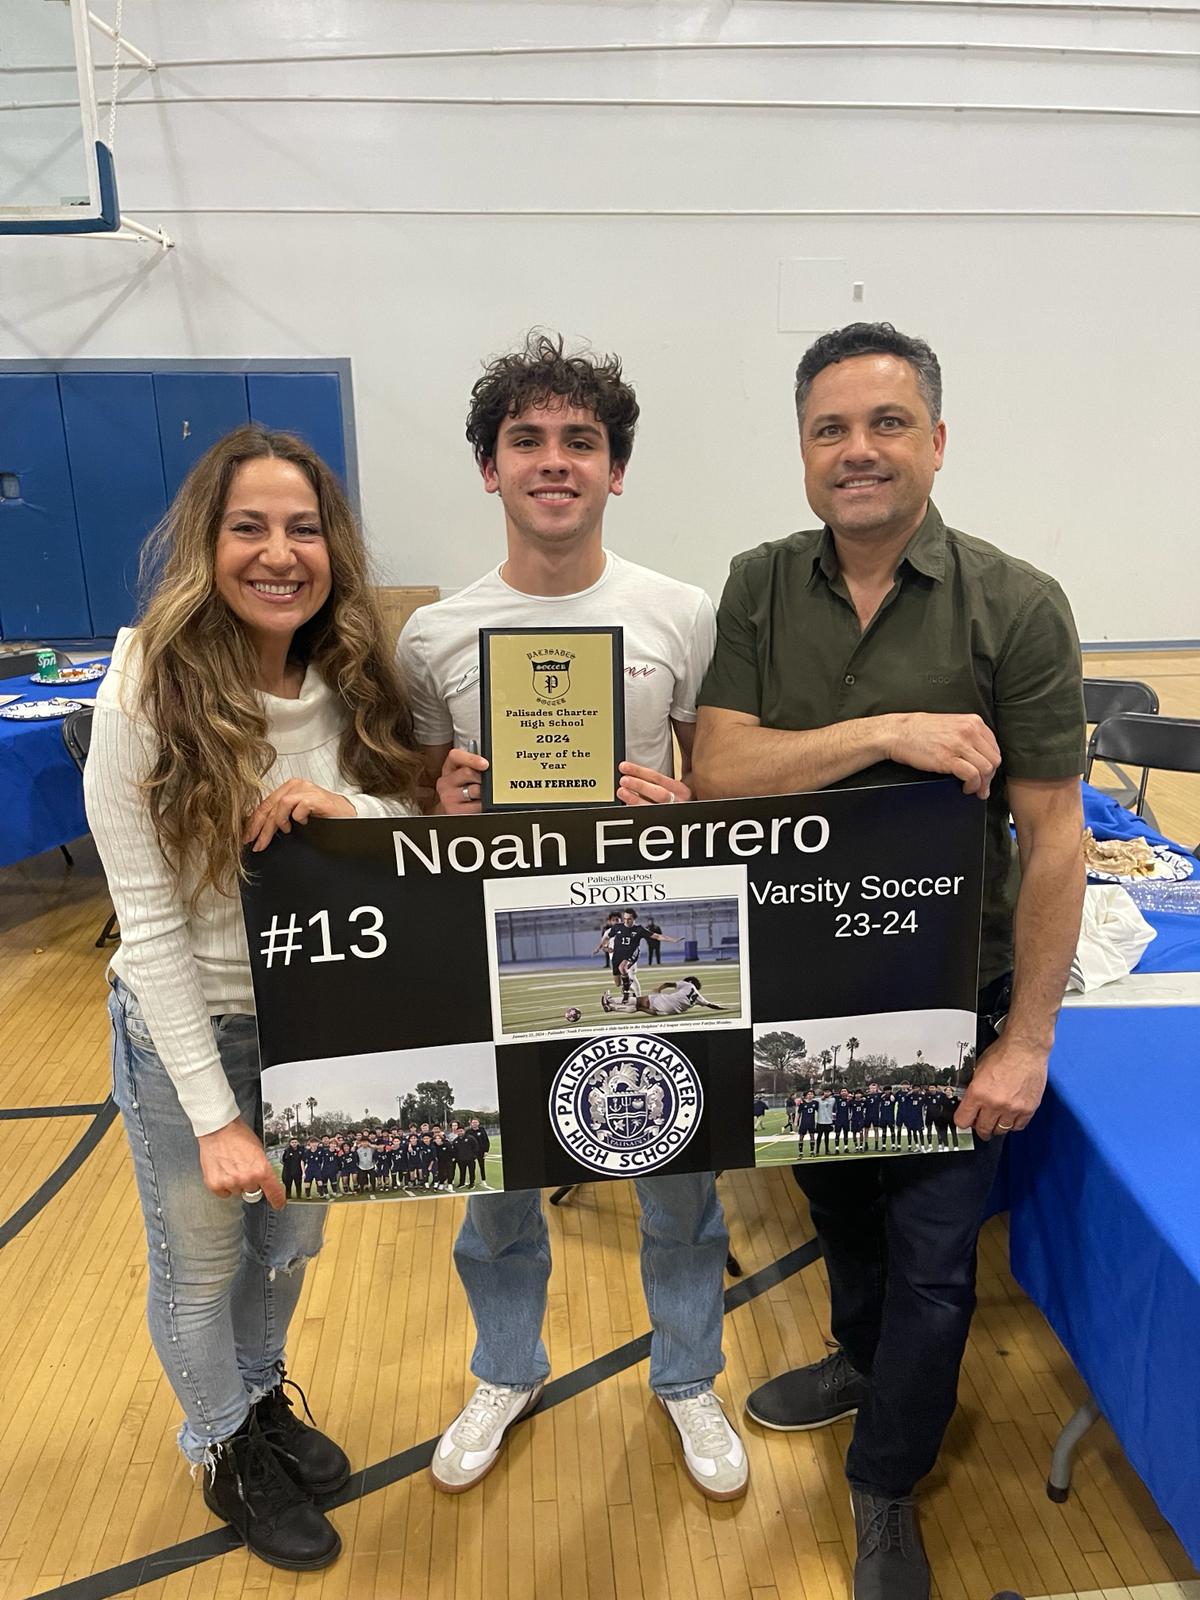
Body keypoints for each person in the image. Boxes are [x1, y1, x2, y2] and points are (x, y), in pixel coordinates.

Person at [692, 321, 1085, 1599]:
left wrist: (1024, 1040)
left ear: (936, 440)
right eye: (830, 429)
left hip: (951, 997)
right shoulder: (756, 584)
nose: (857, 451)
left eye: (886, 424)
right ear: (803, 450)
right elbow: (720, 769)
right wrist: (893, 731)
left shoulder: (1016, 602)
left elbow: (1055, 835)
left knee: (932, 1258)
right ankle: (857, 1361)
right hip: (802, 993)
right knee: (841, 1212)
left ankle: (884, 1483)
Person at [397, 331, 746, 1502]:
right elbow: (399, 814)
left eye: (580, 442)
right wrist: (433, 800)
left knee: (680, 1180)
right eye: (528, 440)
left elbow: (722, 781)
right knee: (495, 1191)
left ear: (616, 469)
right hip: (491, 959)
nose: (556, 461)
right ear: (490, 468)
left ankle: (688, 1371)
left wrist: (686, 800)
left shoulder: (682, 613)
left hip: (646, 949)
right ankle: (504, 1368)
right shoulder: (432, 636)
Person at [85, 424, 423, 1572]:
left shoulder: (350, 675)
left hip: (320, 1029)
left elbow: (413, 836)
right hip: (195, 1028)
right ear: (205, 543)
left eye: (302, 527)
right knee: (202, 1258)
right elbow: (153, 924)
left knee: (289, 1245)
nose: (279, 553)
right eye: (249, 527)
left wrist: (354, 816)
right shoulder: (145, 686)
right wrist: (217, 1114)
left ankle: (261, 1394)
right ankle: (222, 1442)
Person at [602, 974, 726, 1017]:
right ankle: (611, 1008)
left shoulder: (688, 984)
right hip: (669, 1012)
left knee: (637, 1001)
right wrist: (723, 1009)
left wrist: (659, 989)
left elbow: (668, 983)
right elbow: (712, 1005)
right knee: (639, 1008)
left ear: (690, 981)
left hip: (662, 1002)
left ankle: (610, 1000)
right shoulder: (700, 998)